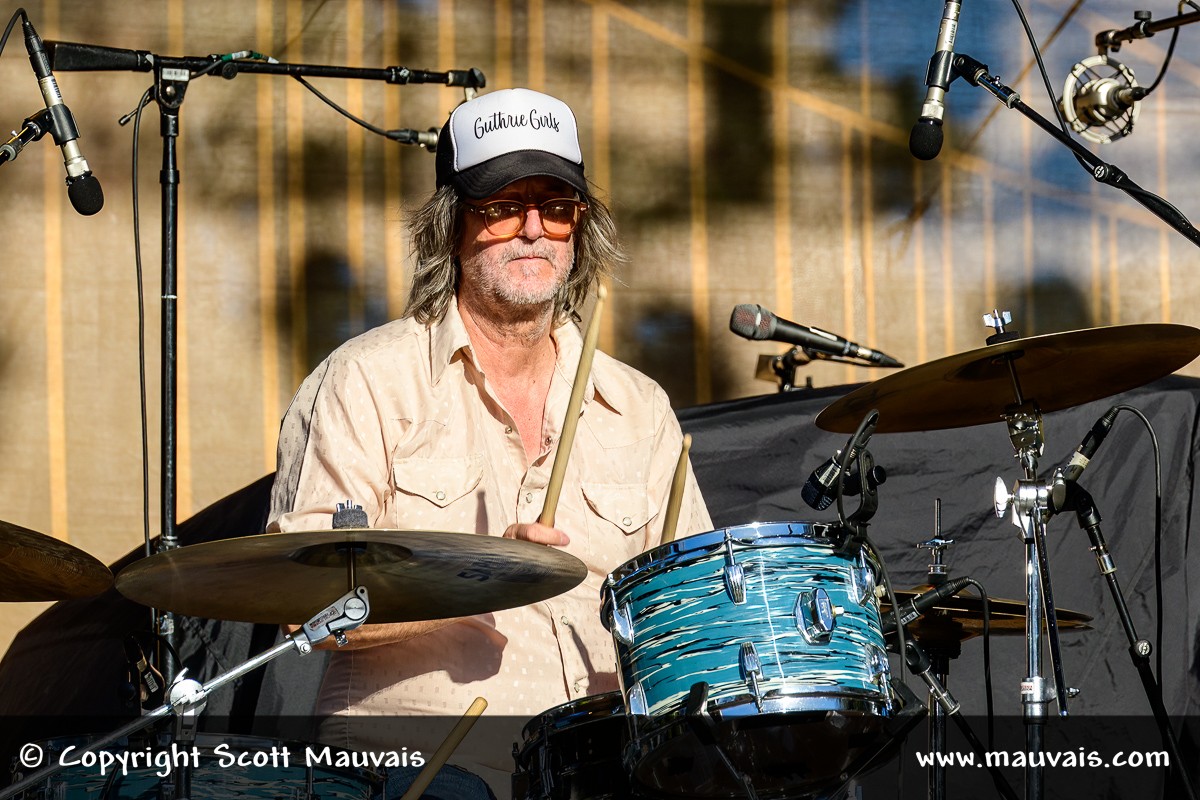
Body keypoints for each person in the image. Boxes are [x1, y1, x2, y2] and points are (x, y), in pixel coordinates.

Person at [267, 87, 711, 799]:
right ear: (452, 226)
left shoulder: (640, 407)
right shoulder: (366, 381)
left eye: (556, 206)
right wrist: (474, 580)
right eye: (503, 206)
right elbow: (306, 604)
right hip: (416, 770)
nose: (533, 229)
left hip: (605, 773)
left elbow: (696, 618)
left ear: (579, 226)